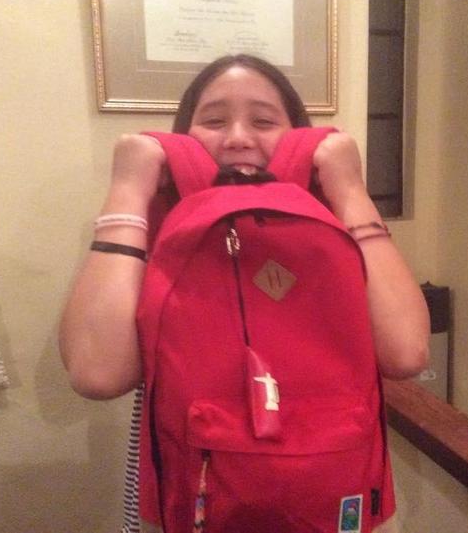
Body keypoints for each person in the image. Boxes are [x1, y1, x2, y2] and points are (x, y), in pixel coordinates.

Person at [59, 54, 430, 533]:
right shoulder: (157, 225)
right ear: (183, 138)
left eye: (264, 121)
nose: (237, 138)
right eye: (214, 121)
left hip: (343, 505)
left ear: (298, 137)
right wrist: (129, 189)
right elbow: (97, 373)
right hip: (193, 503)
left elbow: (406, 353)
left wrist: (351, 190)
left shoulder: (335, 218)